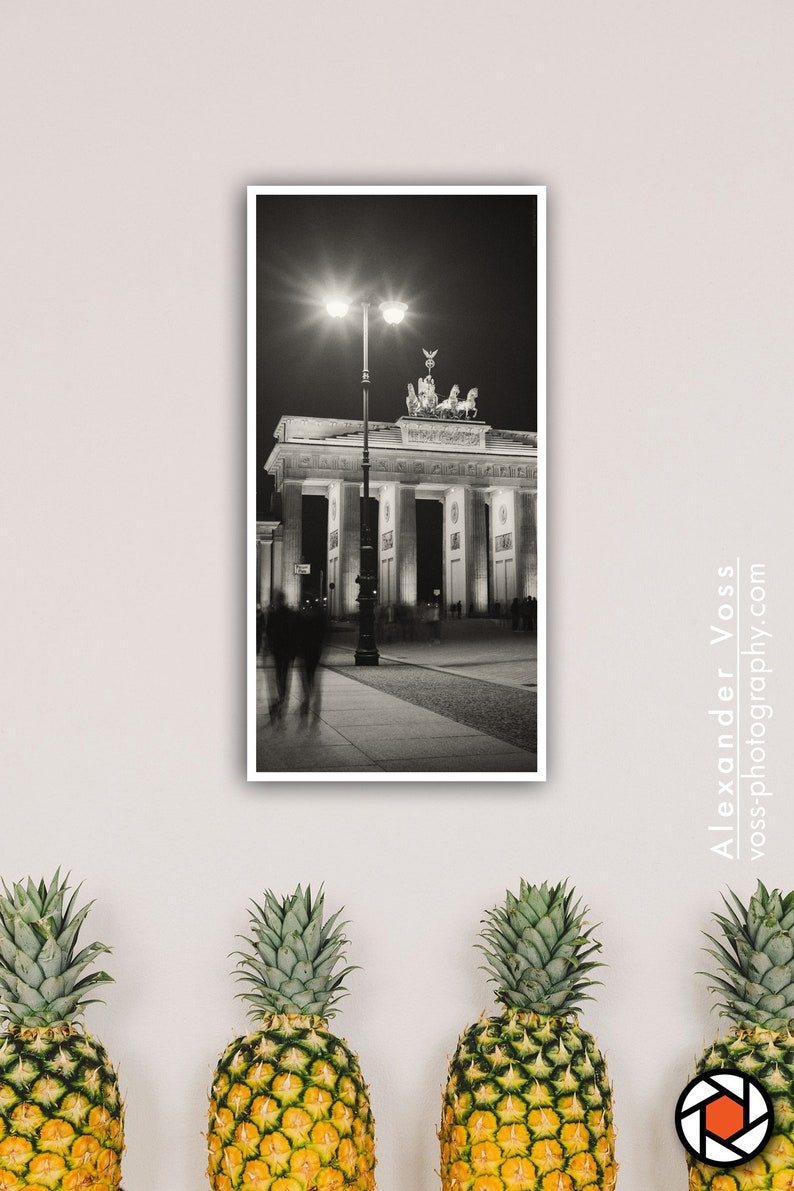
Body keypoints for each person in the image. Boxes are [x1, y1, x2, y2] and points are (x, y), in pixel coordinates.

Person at [265, 591, 296, 722]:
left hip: (278, 649)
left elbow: (268, 632)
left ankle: (279, 698)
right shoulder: (291, 614)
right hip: (288, 650)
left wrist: (268, 648)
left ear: (277, 600)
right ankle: (283, 698)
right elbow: (296, 632)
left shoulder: (273, 614)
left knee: (279, 675)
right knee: (286, 675)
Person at [296, 601, 328, 721]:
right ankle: (313, 693)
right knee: (313, 673)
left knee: (305, 674)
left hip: (306, 650)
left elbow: (299, 634)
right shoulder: (321, 619)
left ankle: (307, 694)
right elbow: (324, 634)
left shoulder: (304, 619)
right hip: (316, 650)